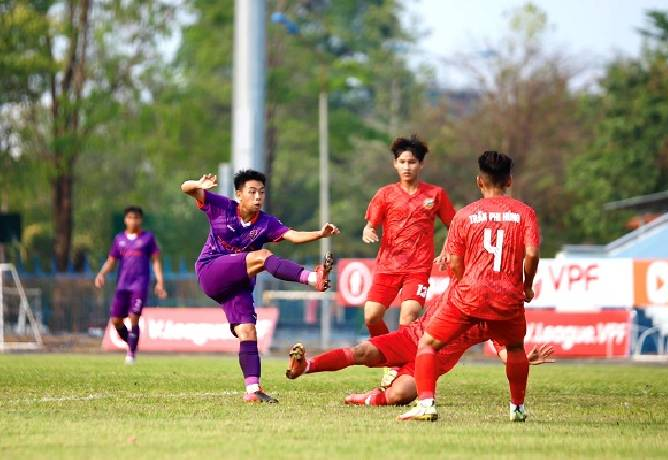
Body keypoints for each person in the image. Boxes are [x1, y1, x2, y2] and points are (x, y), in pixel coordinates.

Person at [399, 150, 541, 422]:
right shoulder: (525, 213)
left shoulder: (465, 215)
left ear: (479, 182)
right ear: (509, 181)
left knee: (428, 343)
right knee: (514, 349)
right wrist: (527, 286)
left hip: (469, 296)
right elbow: (532, 255)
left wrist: (463, 283)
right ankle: (517, 408)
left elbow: (454, 261)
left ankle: (426, 404)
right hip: (508, 297)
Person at [181, 170, 340, 403]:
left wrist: (319, 234)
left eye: (262, 192)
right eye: (252, 191)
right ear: (239, 194)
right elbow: (186, 187)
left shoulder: (266, 222)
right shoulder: (221, 206)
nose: (258, 197)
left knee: (248, 331)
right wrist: (198, 184)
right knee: (262, 256)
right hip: (210, 270)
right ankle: (311, 278)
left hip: (239, 283)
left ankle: (253, 389)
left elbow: (292, 235)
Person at [285, 289, 553, 407]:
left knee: (399, 395)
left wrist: (523, 358)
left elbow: (505, 351)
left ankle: (364, 398)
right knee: (362, 351)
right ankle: (305, 366)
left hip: (433, 359)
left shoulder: (496, 316)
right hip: (411, 337)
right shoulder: (463, 285)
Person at [362, 135, 455, 386]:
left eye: (412, 162)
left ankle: (402, 367)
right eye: (402, 161)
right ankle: (389, 359)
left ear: (421, 165)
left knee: (409, 315)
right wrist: (369, 230)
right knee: (371, 315)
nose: (406, 167)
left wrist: (447, 250)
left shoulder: (435, 194)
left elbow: (455, 226)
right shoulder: (385, 194)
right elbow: (370, 223)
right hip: (387, 267)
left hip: (418, 268)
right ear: (394, 164)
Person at [95, 206, 166, 365]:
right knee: (116, 321)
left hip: (139, 285)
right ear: (125, 220)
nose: (133, 220)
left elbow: (155, 261)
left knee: (134, 317)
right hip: (122, 285)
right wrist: (101, 273)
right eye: (130, 217)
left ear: (140, 220)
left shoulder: (148, 238)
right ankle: (132, 343)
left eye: (136, 217)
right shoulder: (119, 239)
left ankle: (131, 354)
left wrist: (160, 282)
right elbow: (111, 260)